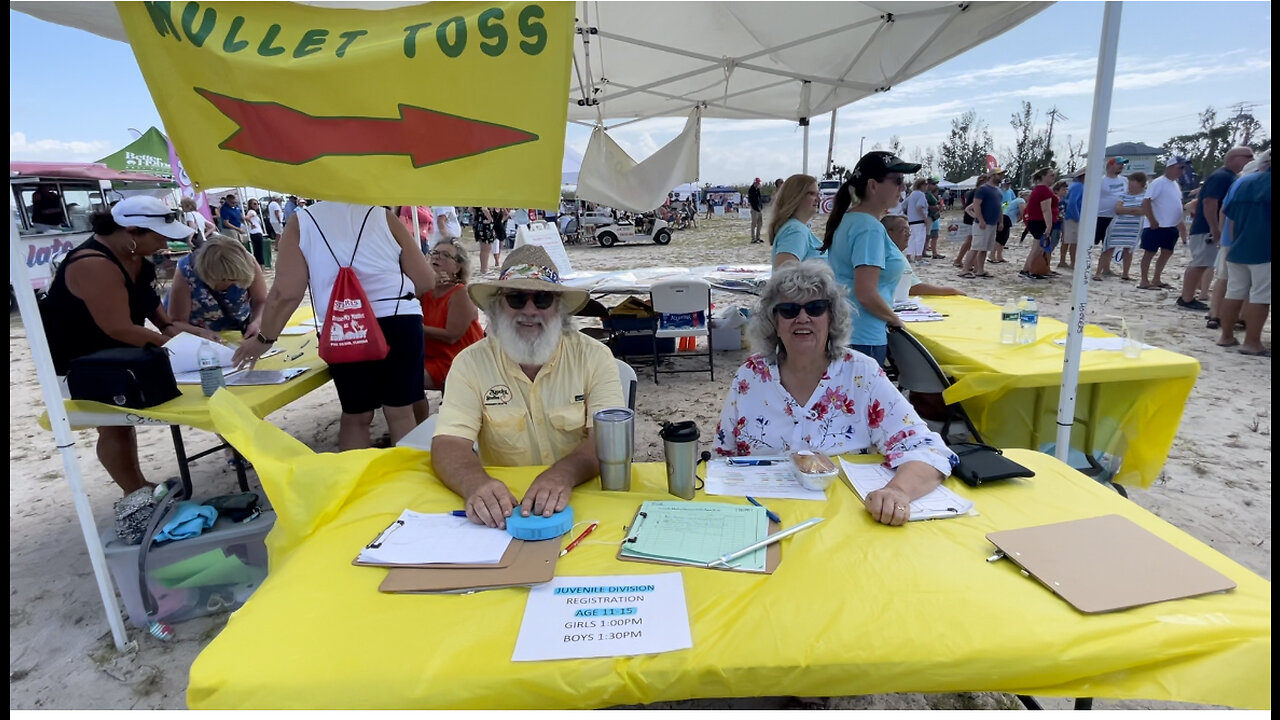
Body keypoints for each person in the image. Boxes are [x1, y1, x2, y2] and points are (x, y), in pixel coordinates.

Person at [712, 261, 956, 526]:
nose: (802, 318)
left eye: (816, 308)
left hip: (846, 522)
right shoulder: (751, 374)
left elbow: (926, 448)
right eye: (789, 310)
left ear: (831, 317)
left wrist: (897, 492)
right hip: (765, 518)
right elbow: (723, 458)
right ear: (774, 322)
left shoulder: (861, 373)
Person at [430, 245, 624, 528]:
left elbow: (608, 440)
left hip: (583, 499)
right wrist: (475, 484)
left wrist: (563, 474)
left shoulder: (594, 357)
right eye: (516, 298)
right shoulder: (469, 363)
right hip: (505, 510)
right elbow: (449, 443)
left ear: (559, 308)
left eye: (543, 299)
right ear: (497, 308)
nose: (529, 311)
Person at [39, 196, 220, 494]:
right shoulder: (93, 264)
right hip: (80, 359)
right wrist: (173, 345)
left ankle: (138, 485)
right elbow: (119, 327)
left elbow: (163, 322)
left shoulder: (136, 259)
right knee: (114, 423)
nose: (165, 244)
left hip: (120, 351)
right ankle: (134, 491)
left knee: (123, 420)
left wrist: (193, 337)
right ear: (132, 231)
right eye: (160, 236)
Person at [232, 202, 437, 450]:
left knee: (356, 414)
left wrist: (265, 339)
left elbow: (286, 292)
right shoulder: (381, 214)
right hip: (398, 317)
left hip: (344, 322)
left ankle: (353, 483)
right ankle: (409, 483)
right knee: (400, 411)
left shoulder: (301, 221)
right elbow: (425, 280)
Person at [820, 150, 921, 366]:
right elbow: (866, 293)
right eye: (898, 180)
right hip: (864, 336)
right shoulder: (869, 228)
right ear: (873, 186)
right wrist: (896, 321)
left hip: (847, 331)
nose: (903, 187)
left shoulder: (851, 220)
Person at [411, 238, 485, 422]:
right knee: (399, 372)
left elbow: (452, 336)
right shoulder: (424, 291)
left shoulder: (460, 293)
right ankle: (410, 426)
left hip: (455, 360)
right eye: (435, 253)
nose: (437, 257)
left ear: (457, 267)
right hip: (429, 356)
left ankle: (415, 428)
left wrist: (415, 327)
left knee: (409, 378)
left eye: (446, 255)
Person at [1180, 146, 1254, 312]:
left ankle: (1189, 296)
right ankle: (1186, 297)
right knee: (1200, 263)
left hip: (1210, 227)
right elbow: (1209, 202)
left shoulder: (1229, 177)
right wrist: (1215, 228)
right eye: (1248, 156)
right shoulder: (1222, 177)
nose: (1251, 160)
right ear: (1234, 158)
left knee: (1205, 263)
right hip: (1206, 227)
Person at [1216, 151, 1271, 356]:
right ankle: (1252, 342)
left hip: (1238, 247)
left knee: (1234, 292)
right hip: (1264, 250)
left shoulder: (1246, 183)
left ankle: (1226, 336)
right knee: (1260, 296)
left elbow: (1229, 216)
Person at [167, 234, 267, 337]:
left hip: (240, 331)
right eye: (222, 279)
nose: (228, 284)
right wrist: (200, 332)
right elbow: (176, 322)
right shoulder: (186, 271)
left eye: (234, 279)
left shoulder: (247, 263)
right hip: (201, 340)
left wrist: (256, 322)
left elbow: (261, 301)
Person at [1137, 156, 1189, 290]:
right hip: (1156, 225)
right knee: (1149, 253)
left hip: (1170, 226)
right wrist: (1152, 220)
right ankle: (1144, 280)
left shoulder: (1175, 184)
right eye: (1180, 168)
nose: (1182, 171)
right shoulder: (1158, 182)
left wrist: (1180, 224)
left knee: (1167, 252)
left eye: (1183, 168)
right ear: (1170, 167)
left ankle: (1156, 278)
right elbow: (1146, 201)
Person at [882, 216, 964, 300]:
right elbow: (913, 288)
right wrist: (951, 290)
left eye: (909, 230)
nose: (908, 234)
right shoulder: (893, 256)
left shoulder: (885, 252)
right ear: (888, 233)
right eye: (904, 230)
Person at [1097, 172, 1148, 282]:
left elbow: (1143, 211)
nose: (1130, 186)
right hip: (1118, 225)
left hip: (1133, 227)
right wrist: (1133, 209)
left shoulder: (1145, 196)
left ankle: (1125, 273)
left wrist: (1127, 210)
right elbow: (1118, 209)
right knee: (1108, 248)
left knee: (1128, 250)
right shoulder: (1123, 195)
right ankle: (1098, 272)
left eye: (1132, 184)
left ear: (1140, 184)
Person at [768, 174, 825, 269]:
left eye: (818, 194)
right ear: (796, 196)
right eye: (811, 194)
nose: (818, 199)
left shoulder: (796, 228)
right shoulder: (795, 231)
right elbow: (785, 278)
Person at [1091, 157, 1130, 280]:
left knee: (1110, 245)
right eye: (1119, 164)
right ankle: (1093, 269)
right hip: (1101, 216)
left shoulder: (1124, 180)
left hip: (1117, 216)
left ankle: (1105, 269)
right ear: (1111, 164)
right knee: (1093, 243)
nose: (1122, 166)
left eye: (1123, 164)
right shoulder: (1101, 180)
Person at [960, 171, 1003, 279]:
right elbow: (976, 205)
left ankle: (980, 270)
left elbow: (999, 207)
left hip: (992, 224)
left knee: (984, 248)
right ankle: (965, 270)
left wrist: (1000, 221)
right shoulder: (983, 189)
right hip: (982, 224)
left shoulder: (998, 190)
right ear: (992, 176)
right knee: (975, 247)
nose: (1001, 177)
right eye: (999, 174)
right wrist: (980, 219)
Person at [1018, 167, 1058, 280]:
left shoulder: (1039, 189)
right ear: (1043, 176)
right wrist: (1049, 225)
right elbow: (1046, 209)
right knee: (1038, 248)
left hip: (1036, 221)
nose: (1053, 177)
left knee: (1037, 247)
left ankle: (1027, 269)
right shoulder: (1044, 190)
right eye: (1051, 175)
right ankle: (1029, 270)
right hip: (1039, 221)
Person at [1060, 168, 1086, 270]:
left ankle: (1064, 261)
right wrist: (1077, 217)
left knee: (1067, 240)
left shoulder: (1074, 186)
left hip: (1069, 216)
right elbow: (1072, 202)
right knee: (1073, 241)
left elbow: (1067, 201)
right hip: (1073, 217)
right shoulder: (1079, 187)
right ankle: (1072, 263)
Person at [996, 189, 1027, 265]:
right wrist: (1025, 220)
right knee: (1001, 238)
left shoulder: (1013, 198)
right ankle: (994, 255)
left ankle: (998, 255)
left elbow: (1005, 206)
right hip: (1006, 218)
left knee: (1003, 237)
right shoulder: (1021, 200)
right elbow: (1023, 212)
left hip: (1005, 217)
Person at [903, 177, 930, 263]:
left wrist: (909, 214)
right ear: (921, 185)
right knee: (920, 238)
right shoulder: (921, 195)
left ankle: (909, 255)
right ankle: (919, 257)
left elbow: (903, 205)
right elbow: (919, 207)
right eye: (925, 184)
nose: (927, 186)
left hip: (911, 220)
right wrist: (925, 218)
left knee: (912, 238)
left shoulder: (912, 194)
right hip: (919, 220)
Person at [244, 198, 269, 267]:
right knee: (259, 251)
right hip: (256, 233)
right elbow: (246, 218)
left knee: (257, 251)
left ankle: (258, 266)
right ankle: (261, 266)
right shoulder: (252, 212)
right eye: (254, 204)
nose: (257, 205)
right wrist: (252, 224)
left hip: (255, 233)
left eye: (257, 203)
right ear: (250, 205)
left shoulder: (251, 211)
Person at [924, 177, 945, 260]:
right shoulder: (927, 194)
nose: (935, 185)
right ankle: (934, 253)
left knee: (929, 236)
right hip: (931, 217)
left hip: (933, 217)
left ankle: (926, 251)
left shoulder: (929, 194)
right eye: (933, 184)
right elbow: (925, 206)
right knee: (933, 236)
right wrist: (936, 207)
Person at [747, 178, 764, 243]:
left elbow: (759, 198)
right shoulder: (751, 190)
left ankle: (758, 237)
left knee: (760, 223)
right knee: (754, 224)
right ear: (755, 183)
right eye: (758, 183)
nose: (759, 184)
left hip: (759, 209)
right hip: (754, 209)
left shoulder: (758, 190)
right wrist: (756, 208)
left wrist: (761, 205)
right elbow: (752, 200)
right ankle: (753, 238)